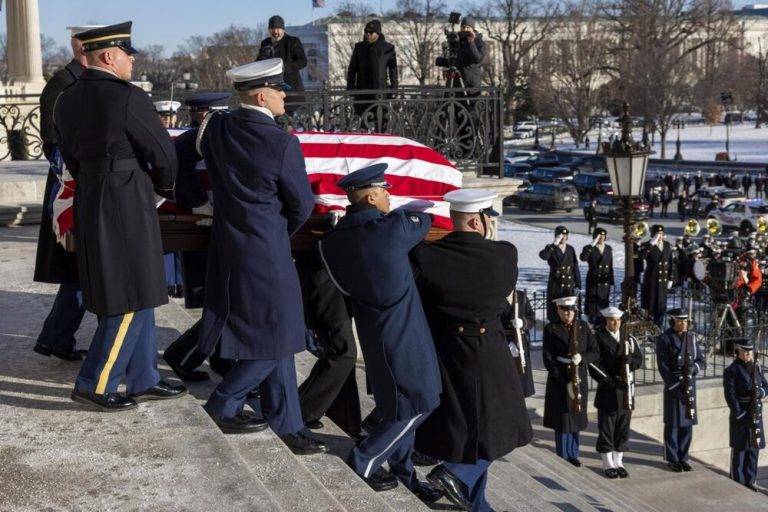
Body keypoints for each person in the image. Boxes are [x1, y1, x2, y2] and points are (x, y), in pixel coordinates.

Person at [195, 59, 326, 456]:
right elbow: (301, 205)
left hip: (228, 245)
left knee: (277, 334)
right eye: (280, 89)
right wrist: (275, 233)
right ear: (261, 95)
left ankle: (288, 423)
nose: (285, 94)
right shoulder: (282, 143)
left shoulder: (216, 128)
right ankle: (224, 402)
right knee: (277, 338)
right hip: (266, 251)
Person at [54, 22, 186, 410]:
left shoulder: (67, 98)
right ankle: (95, 382)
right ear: (109, 56)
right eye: (128, 54)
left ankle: (143, 376)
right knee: (128, 292)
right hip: (127, 198)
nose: (132, 60)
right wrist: (160, 191)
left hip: (92, 193)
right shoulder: (127, 97)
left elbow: (70, 156)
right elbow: (164, 155)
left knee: (140, 286)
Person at [318, 164, 442, 500]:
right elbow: (423, 219)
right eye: (384, 191)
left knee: (395, 405)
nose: (389, 196)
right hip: (404, 334)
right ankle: (364, 461)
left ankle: (404, 471)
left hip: (373, 332)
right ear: (371, 196)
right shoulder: (391, 229)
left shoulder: (333, 242)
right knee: (419, 403)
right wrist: (409, 214)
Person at [411, 189, 533, 511]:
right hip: (488, 349)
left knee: (466, 428)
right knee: (507, 426)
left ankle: (475, 502)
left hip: (446, 349)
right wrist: (489, 241)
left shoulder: (426, 255)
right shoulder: (504, 255)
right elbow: (503, 292)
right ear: (479, 221)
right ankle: (456, 472)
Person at [32, 24, 102, 361]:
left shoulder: (81, 82)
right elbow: (52, 141)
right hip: (72, 183)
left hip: (82, 180)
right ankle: (57, 337)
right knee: (80, 265)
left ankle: (56, 336)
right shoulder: (63, 83)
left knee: (79, 268)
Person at [161, 92, 232, 382]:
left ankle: (219, 359)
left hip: (220, 221)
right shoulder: (200, 137)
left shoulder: (212, 134)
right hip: (211, 223)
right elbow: (179, 163)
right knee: (224, 299)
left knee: (225, 298)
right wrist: (199, 202)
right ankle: (185, 356)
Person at [542, 296, 599, 466]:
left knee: (576, 413)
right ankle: (563, 454)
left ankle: (573, 453)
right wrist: (561, 378)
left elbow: (595, 351)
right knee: (562, 417)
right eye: (564, 310)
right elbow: (548, 357)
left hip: (578, 374)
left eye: (571, 310)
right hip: (560, 377)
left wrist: (582, 358)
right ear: (558, 310)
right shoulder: (551, 328)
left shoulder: (582, 327)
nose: (568, 313)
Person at [588, 307, 644, 479]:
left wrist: (631, 362)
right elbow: (593, 364)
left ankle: (619, 460)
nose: (615, 323)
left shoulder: (629, 338)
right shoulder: (598, 338)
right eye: (612, 320)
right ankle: (607, 461)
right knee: (607, 427)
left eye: (618, 320)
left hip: (626, 390)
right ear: (606, 320)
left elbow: (639, 359)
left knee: (622, 427)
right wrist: (610, 381)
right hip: (609, 390)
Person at [655, 308, 706, 472]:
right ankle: (672, 458)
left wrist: (694, 368)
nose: (684, 324)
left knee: (687, 422)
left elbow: (701, 360)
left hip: (689, 384)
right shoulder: (664, 339)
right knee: (673, 423)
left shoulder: (691, 338)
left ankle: (684, 457)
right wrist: (675, 386)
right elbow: (663, 367)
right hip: (674, 385)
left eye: (685, 321)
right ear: (673, 322)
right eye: (680, 321)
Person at [723, 338, 768, 491]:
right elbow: (731, 396)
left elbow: (765, 386)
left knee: (754, 448)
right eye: (745, 352)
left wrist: (760, 393)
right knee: (740, 448)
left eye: (750, 351)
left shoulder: (756, 367)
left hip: (755, 412)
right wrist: (740, 414)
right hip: (741, 413)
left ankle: (750, 480)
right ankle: (738, 482)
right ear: (738, 352)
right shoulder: (732, 370)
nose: (748, 354)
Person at [346, 19, 398, 118]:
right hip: (362, 93)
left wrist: (394, 89)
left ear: (378, 33)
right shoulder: (359, 47)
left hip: (380, 93)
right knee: (362, 125)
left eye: (371, 32)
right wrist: (350, 87)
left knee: (382, 124)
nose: (368, 34)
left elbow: (393, 70)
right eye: (366, 32)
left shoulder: (388, 48)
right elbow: (352, 69)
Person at [257, 15, 307, 108]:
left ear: (283, 29)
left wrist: (285, 68)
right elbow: (259, 64)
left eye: (278, 28)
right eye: (272, 28)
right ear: (269, 30)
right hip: (271, 91)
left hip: (291, 90)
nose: (275, 32)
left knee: (290, 120)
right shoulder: (265, 43)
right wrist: (263, 55)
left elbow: (303, 61)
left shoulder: (293, 41)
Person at [539, 226, 581, 321]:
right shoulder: (551, 248)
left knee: (569, 312)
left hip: (568, 286)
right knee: (556, 312)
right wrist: (554, 244)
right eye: (561, 235)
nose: (563, 237)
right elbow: (544, 256)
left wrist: (578, 283)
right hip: (556, 285)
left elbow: (575, 266)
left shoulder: (570, 249)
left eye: (565, 235)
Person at [639, 225, 674, 327]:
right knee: (650, 306)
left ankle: (658, 329)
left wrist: (670, 278)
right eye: (657, 234)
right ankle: (649, 329)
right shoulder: (647, 245)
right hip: (652, 280)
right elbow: (641, 256)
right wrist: (651, 244)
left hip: (663, 282)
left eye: (662, 233)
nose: (660, 236)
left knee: (661, 307)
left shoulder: (667, 245)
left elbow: (671, 262)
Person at [504, 288, 536, 398]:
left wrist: (523, 322)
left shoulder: (521, 296)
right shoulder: (496, 296)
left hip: (520, 343)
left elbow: (532, 319)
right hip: (502, 342)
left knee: (521, 381)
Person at [580, 227, 614, 326]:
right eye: (599, 236)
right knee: (592, 306)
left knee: (603, 305)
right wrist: (591, 245)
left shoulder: (608, 248)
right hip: (593, 280)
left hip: (604, 282)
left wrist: (611, 281)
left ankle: (601, 325)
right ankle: (592, 323)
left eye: (603, 236)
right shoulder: (589, 247)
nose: (601, 238)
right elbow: (583, 258)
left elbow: (610, 265)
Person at [456, 16, 485, 92]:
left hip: (472, 85)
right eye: (463, 27)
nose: (465, 29)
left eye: (468, 27)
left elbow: (477, 59)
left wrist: (471, 42)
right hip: (458, 84)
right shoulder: (458, 40)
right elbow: (457, 61)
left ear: (473, 28)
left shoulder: (478, 41)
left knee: (473, 104)